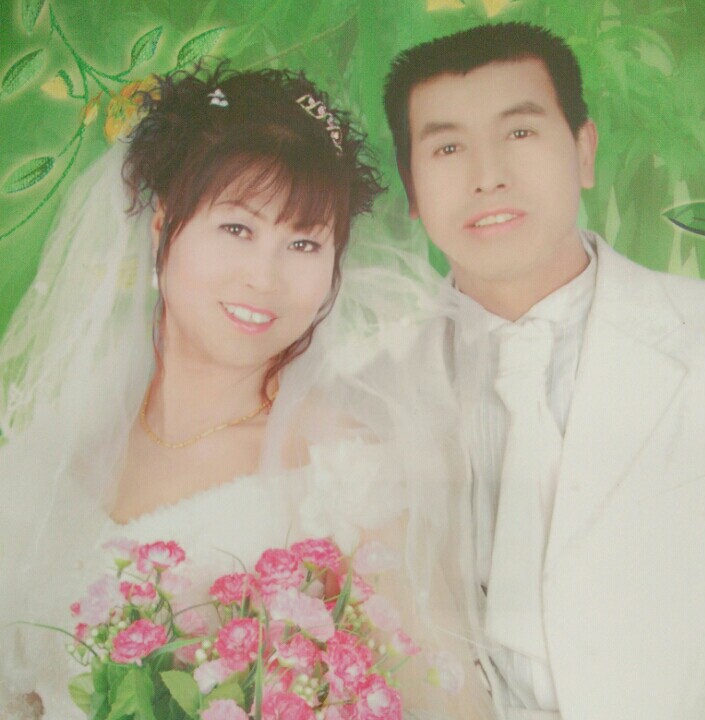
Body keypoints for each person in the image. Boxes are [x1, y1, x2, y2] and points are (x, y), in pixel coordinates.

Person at [0, 64, 489, 719]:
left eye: (305, 243)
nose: (265, 276)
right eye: (237, 229)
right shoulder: (57, 447)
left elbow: (446, 701)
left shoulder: (342, 469)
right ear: (162, 224)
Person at [383, 21, 705, 720]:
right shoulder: (370, 389)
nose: (487, 176)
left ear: (584, 150)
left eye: (520, 132)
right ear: (411, 188)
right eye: (447, 147)